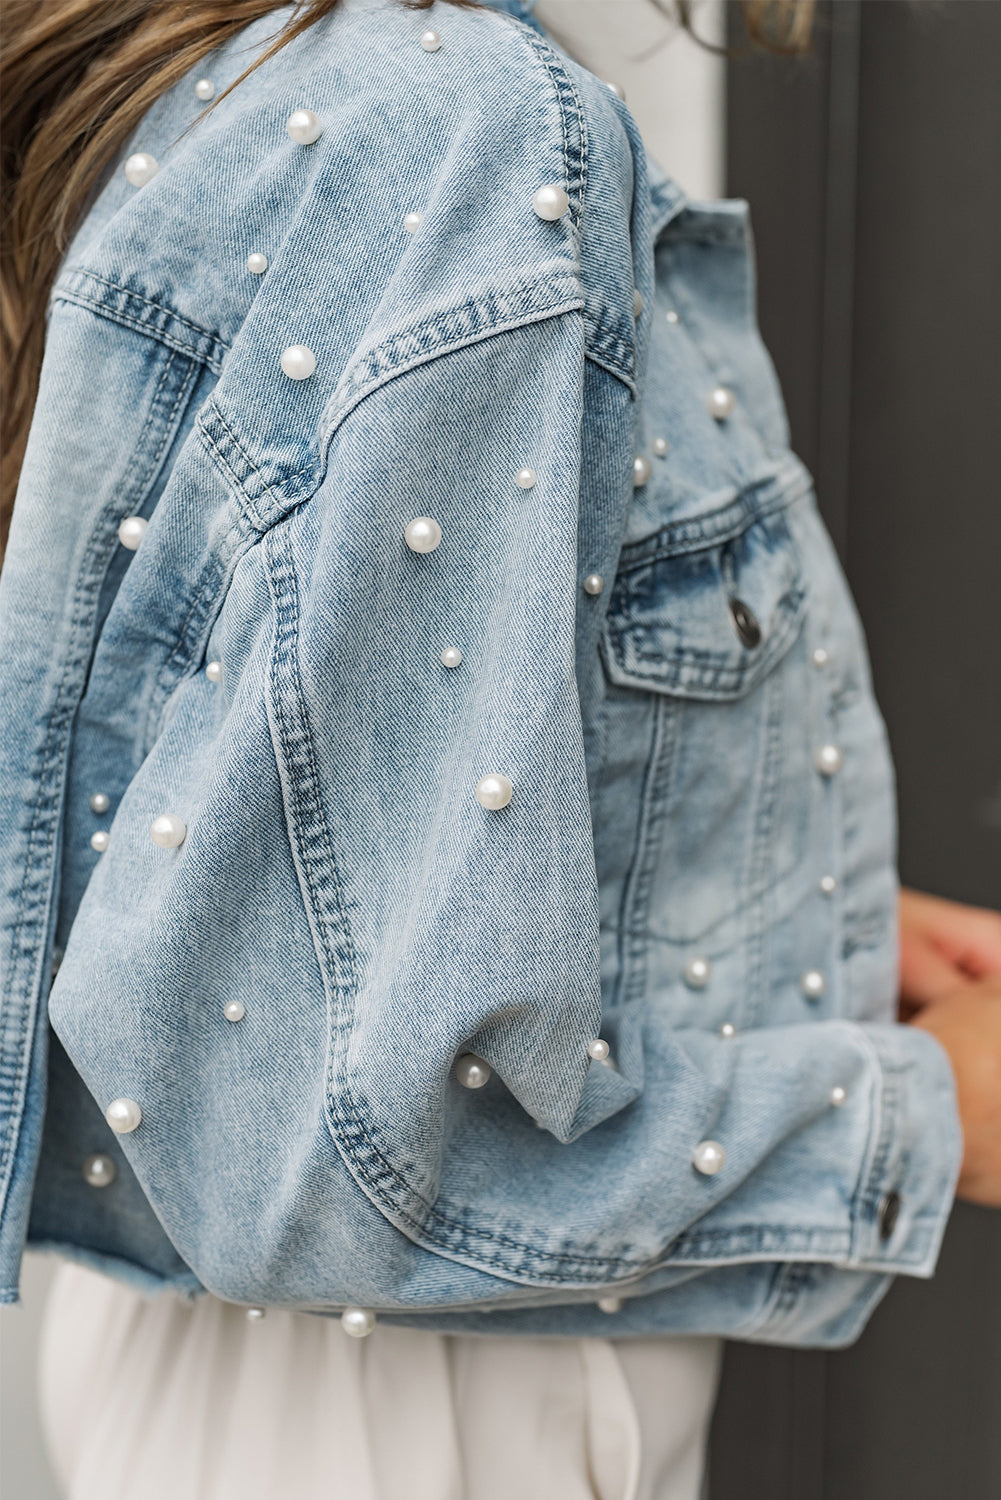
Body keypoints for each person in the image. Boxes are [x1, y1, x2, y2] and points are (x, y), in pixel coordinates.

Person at [1, 2, 999, 1497]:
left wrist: (751, 890)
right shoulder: (454, 122)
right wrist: (928, 1116)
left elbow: (206, 794)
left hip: (269, 1385)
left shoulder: (216, 76)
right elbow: (321, 1158)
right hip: (411, 1414)